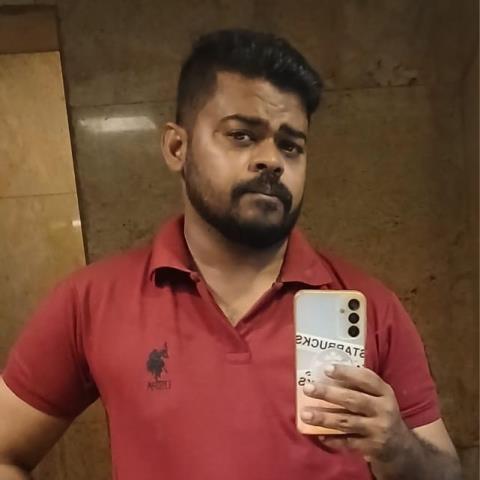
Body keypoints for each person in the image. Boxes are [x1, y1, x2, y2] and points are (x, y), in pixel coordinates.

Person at [0, 29, 462, 480]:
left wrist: (398, 447)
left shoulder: (371, 306)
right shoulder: (91, 301)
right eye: (242, 135)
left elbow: (446, 471)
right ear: (177, 147)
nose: (272, 160)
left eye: (291, 145)